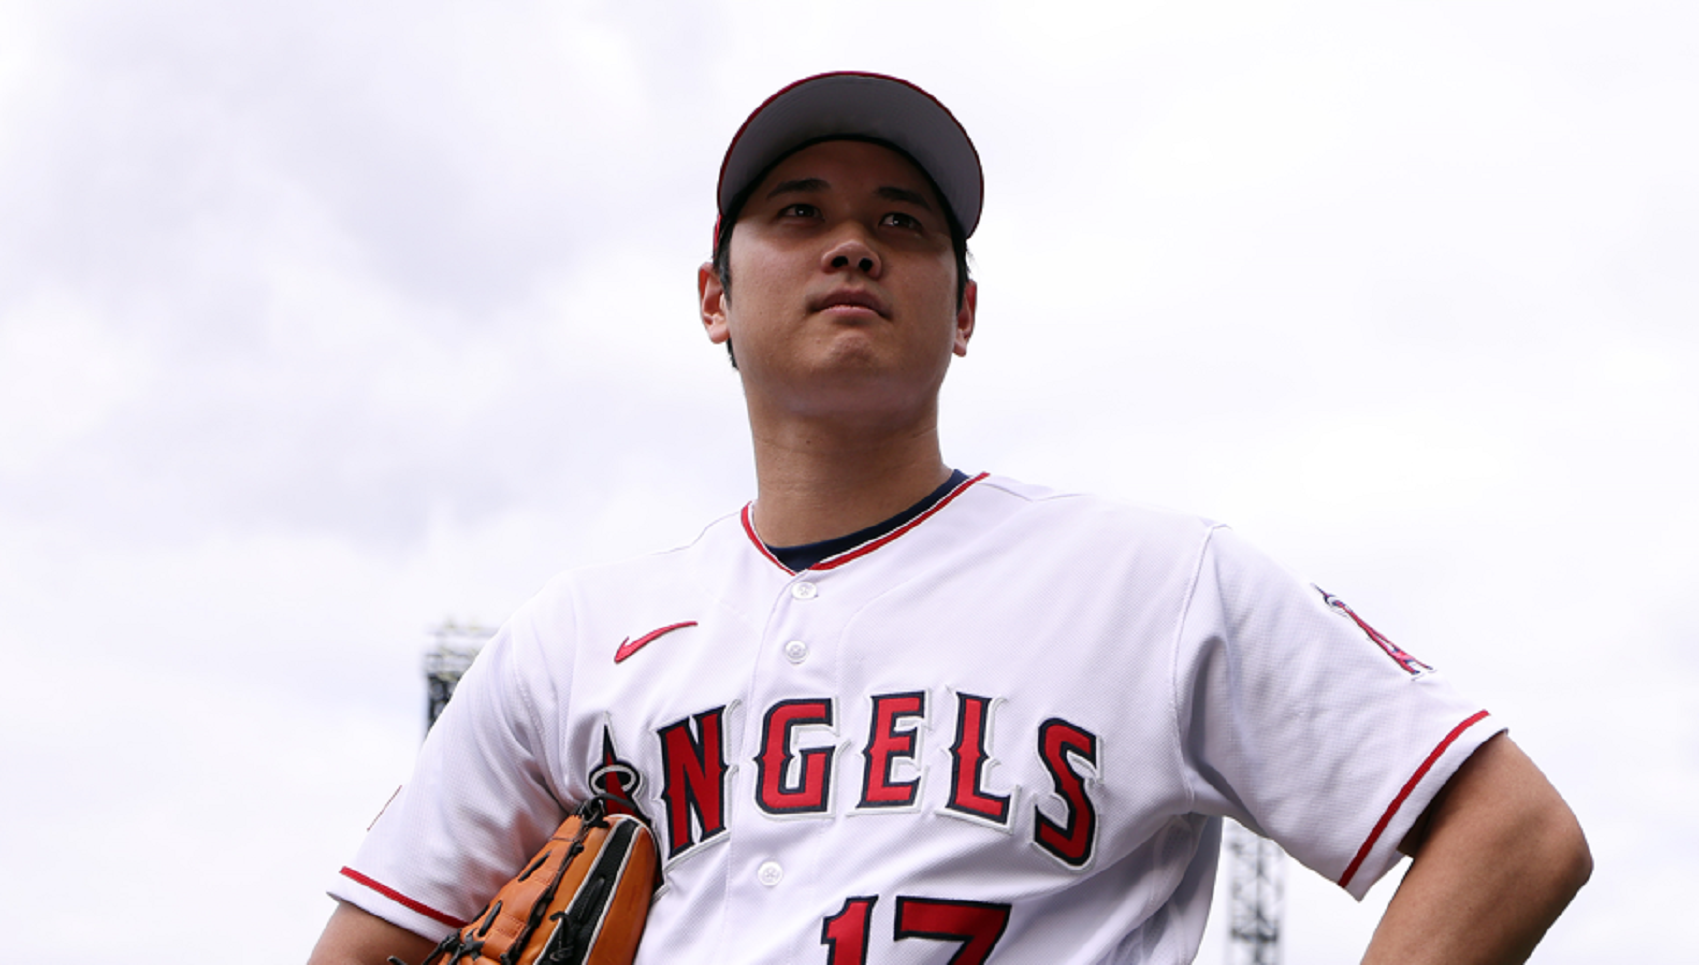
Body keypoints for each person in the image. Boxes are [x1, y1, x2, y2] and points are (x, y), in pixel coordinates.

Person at [307, 72, 1590, 965]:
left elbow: (1513, 832)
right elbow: (369, 938)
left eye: (902, 224)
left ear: (963, 313)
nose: (852, 244)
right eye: (799, 212)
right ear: (714, 295)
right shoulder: (573, 640)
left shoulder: (1150, 581)